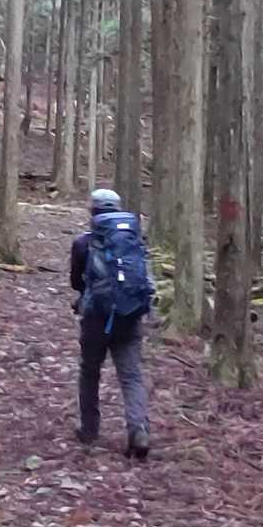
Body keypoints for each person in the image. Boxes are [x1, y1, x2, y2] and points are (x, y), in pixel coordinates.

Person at [70, 189, 154, 460]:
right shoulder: (134, 238)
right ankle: (138, 430)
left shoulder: (83, 243)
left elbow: (75, 282)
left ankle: (89, 429)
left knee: (90, 371)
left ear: (92, 211)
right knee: (131, 376)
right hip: (130, 315)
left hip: (96, 317)